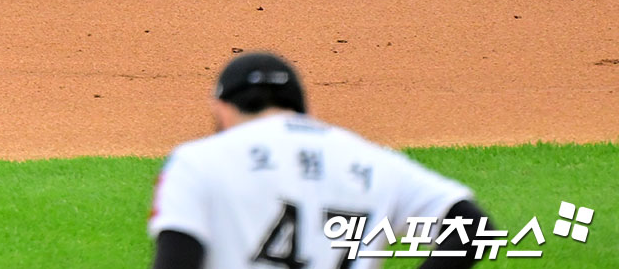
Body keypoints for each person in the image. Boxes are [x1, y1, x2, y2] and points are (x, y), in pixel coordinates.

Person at [149, 53, 490, 269]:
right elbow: (474, 228)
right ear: (306, 109)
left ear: (221, 110)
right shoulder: (375, 162)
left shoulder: (196, 162)